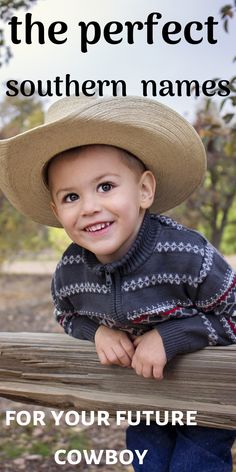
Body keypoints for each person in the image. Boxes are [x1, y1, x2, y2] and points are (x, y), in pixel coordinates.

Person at [0, 96, 235, 471]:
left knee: (193, 465)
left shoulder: (187, 256)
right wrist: (97, 333)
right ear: (58, 211)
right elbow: (66, 315)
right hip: (144, 394)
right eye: (71, 196)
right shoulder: (72, 271)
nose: (89, 206)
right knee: (149, 460)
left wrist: (174, 335)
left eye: (106, 186)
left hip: (206, 398)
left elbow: (233, 315)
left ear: (144, 190)